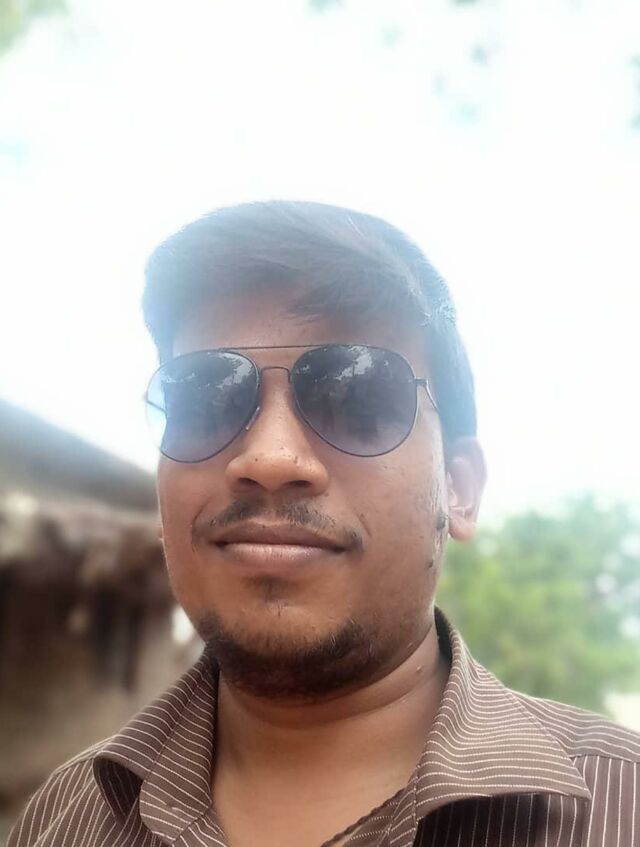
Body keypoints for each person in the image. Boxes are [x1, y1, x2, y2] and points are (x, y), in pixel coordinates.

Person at [9, 201, 639, 847]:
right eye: (204, 401)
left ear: (459, 489)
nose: (269, 459)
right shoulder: (61, 820)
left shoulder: (622, 809)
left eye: (355, 398)